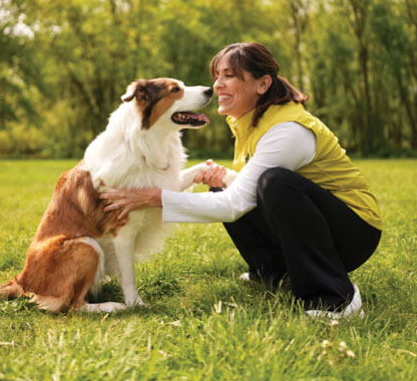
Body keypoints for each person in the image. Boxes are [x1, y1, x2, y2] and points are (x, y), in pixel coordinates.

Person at [100, 42, 382, 319]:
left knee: (275, 183)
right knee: (228, 182)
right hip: (322, 225)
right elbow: (246, 188)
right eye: (217, 76)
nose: (218, 85)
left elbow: (237, 203)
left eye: (229, 75)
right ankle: (273, 271)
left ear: (262, 84)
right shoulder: (250, 121)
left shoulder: (288, 129)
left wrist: (156, 197)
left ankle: (337, 297)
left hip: (354, 232)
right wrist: (228, 178)